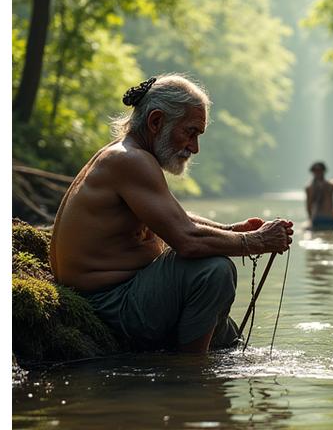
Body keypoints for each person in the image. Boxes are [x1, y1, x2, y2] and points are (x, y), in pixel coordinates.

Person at [49, 74, 294, 354]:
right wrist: (258, 242)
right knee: (214, 271)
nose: (194, 147)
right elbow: (187, 240)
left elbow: (175, 218)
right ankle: (190, 373)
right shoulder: (131, 160)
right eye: (190, 132)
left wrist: (232, 230)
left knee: (227, 338)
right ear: (156, 122)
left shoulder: (128, 156)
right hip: (110, 303)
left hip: (126, 293)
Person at [305, 161, 333, 230]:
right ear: (313, 172)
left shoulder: (332, 184)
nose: (318, 173)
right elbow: (308, 206)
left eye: (319, 170)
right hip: (318, 218)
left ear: (324, 171)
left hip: (330, 218)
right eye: (316, 171)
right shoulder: (310, 188)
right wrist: (310, 221)